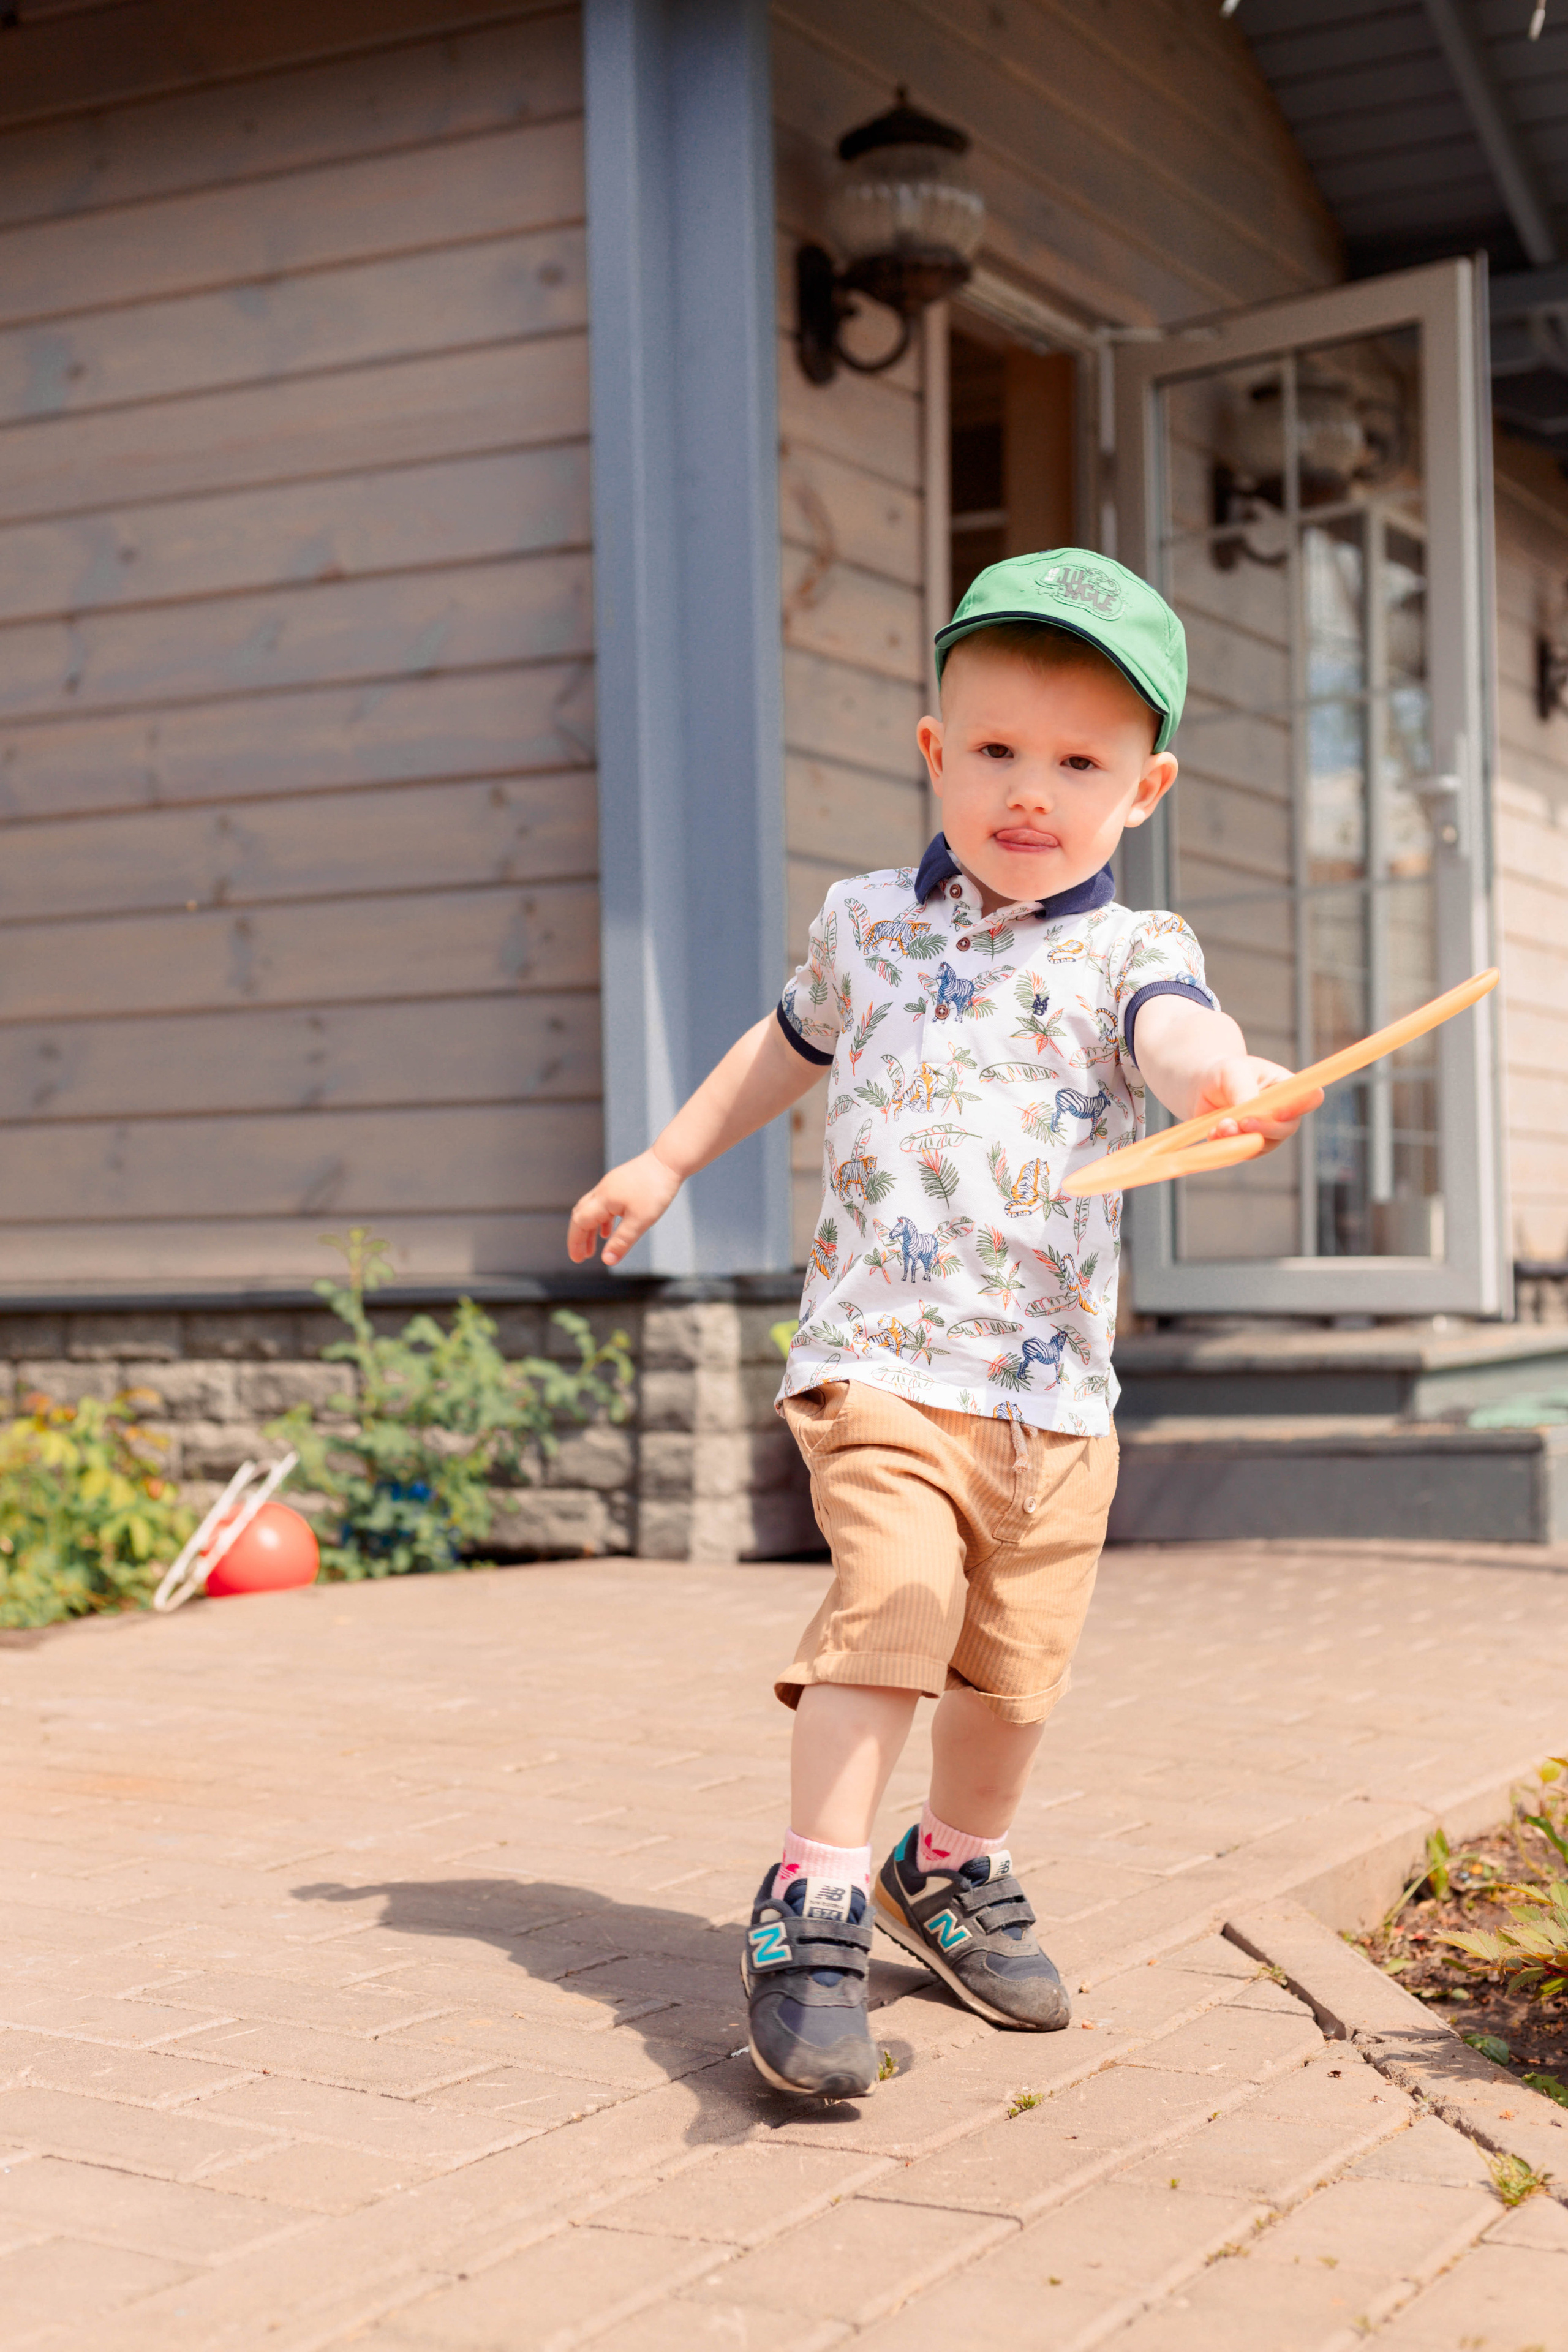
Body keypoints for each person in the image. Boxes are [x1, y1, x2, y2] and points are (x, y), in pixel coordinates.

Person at [567, 550, 1319, 2098]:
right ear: (932, 750)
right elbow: (778, 1051)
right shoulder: (867, 926)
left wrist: (1226, 1085)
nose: (1028, 791)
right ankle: (815, 1895)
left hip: (1050, 1401)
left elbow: (1176, 1043)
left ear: (1144, 787)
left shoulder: (1133, 953)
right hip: (882, 1366)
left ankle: (947, 1864)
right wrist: (664, 1157)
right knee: (899, 1607)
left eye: (1076, 762)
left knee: (1012, 1676)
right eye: (993, 750)